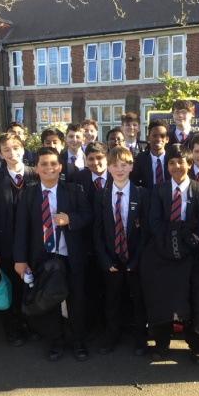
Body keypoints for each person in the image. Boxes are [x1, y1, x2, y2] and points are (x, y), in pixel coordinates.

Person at [14, 147, 93, 362]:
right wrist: (20, 260)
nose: (49, 168)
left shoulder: (74, 190)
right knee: (49, 301)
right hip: (43, 257)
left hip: (71, 256)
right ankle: (57, 341)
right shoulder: (28, 195)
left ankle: (78, 341)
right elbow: (21, 229)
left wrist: (70, 220)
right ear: (36, 168)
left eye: (53, 164)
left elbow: (88, 216)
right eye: (44, 164)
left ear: (60, 167)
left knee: (77, 301)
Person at [143, 144, 199, 363]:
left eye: (180, 162)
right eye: (171, 163)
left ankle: (196, 344)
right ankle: (162, 342)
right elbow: (154, 223)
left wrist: (185, 239)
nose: (176, 166)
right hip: (163, 251)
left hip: (191, 253)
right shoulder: (159, 190)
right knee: (161, 296)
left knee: (194, 296)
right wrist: (181, 232)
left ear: (189, 164)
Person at [94, 146, 150, 356]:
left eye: (124, 165)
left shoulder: (142, 194)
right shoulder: (101, 195)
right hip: (112, 258)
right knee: (112, 300)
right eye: (115, 165)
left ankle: (140, 339)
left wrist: (136, 259)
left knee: (138, 300)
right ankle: (111, 337)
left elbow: (145, 231)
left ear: (131, 167)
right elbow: (97, 230)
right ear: (108, 168)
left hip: (134, 257)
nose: (119, 169)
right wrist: (104, 259)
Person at [0, 133, 39, 346]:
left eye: (16, 148)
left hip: (31, 242)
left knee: (27, 286)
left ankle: (26, 322)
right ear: (0, 154)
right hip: (6, 243)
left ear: (23, 149)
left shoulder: (35, 174)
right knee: (8, 286)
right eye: (6, 150)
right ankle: (11, 328)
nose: (12, 153)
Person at [74, 141, 113, 331]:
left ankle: (110, 322)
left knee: (110, 285)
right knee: (90, 284)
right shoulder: (79, 177)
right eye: (90, 159)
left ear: (107, 158)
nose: (95, 162)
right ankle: (92, 322)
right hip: (87, 239)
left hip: (112, 238)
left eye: (99, 158)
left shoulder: (116, 174)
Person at [131, 119, 170, 190]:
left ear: (167, 139)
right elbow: (134, 182)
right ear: (148, 138)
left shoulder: (171, 158)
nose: (158, 139)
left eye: (162, 136)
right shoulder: (141, 159)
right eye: (154, 136)